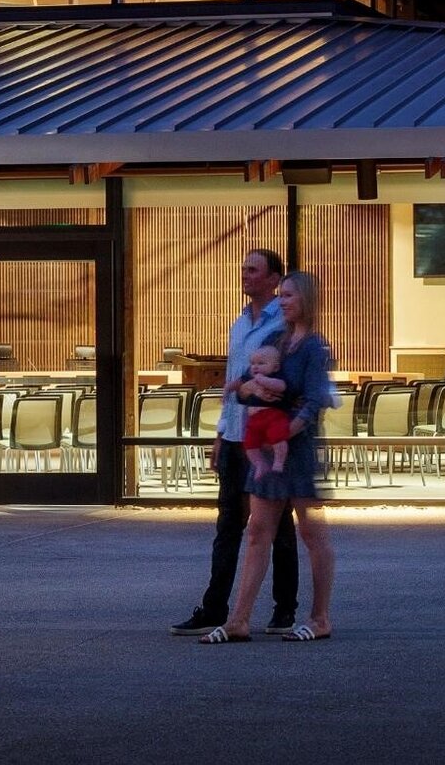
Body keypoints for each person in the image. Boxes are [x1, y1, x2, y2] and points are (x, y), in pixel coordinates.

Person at [170, 246, 302, 638]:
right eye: (243, 269)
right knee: (228, 524)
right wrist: (219, 434)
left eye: (253, 270)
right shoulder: (239, 323)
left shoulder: (285, 324)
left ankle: (284, 609)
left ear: (275, 279)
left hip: (266, 434)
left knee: (276, 526)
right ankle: (214, 608)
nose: (245, 275)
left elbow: (283, 384)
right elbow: (231, 382)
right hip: (235, 436)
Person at [201, 270, 337, 644]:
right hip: (267, 446)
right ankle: (239, 620)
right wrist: (249, 391)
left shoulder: (315, 348)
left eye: (289, 295)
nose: (282, 301)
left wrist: (284, 430)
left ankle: (320, 617)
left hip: (298, 450)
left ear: (306, 299)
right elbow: (243, 387)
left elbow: (314, 402)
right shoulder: (277, 341)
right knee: (258, 531)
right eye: (281, 295)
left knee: (311, 532)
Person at [238, 344, 291, 478]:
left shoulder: (276, 376)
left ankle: (279, 462)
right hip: (254, 419)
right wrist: (229, 388)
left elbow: (281, 386)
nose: (255, 366)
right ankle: (259, 464)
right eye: (253, 363)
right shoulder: (251, 378)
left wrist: (263, 380)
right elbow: (240, 390)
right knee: (249, 444)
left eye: (261, 363)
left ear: (275, 367)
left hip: (273, 416)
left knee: (278, 439)